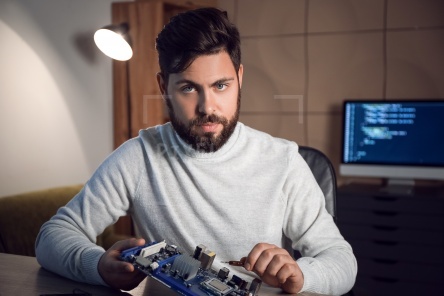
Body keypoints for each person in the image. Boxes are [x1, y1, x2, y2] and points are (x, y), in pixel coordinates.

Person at [36, 7, 357, 295]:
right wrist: (98, 266)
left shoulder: (283, 161)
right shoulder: (138, 158)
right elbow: (52, 237)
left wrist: (300, 275)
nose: (207, 107)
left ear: (239, 78)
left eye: (221, 85)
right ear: (164, 87)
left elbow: (342, 262)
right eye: (189, 88)